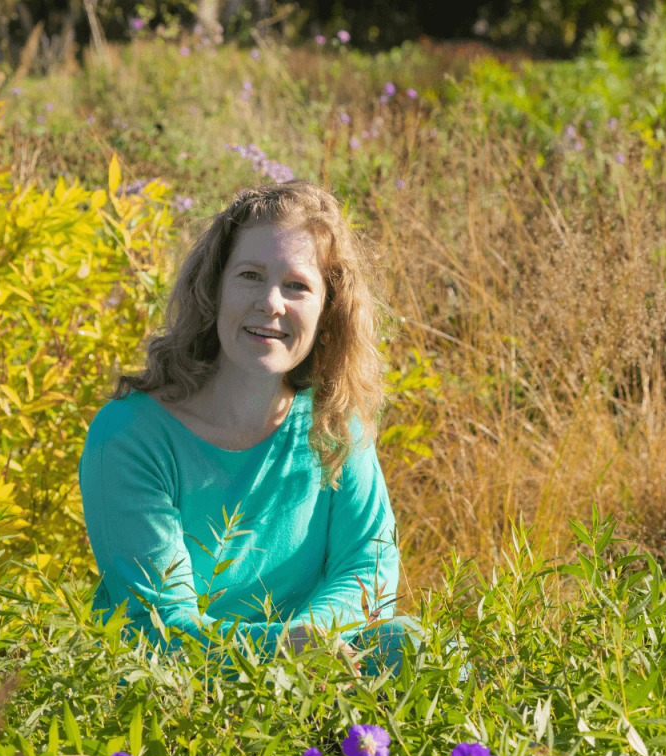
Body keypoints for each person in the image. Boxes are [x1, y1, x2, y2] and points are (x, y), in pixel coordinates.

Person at [79, 179, 426, 679]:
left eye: (297, 285)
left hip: (314, 681)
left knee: (411, 644)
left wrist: (311, 647)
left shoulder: (335, 426)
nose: (272, 302)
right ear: (214, 288)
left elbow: (368, 570)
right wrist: (286, 650)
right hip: (172, 695)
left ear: (328, 308)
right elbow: (159, 631)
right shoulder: (130, 436)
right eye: (250, 275)